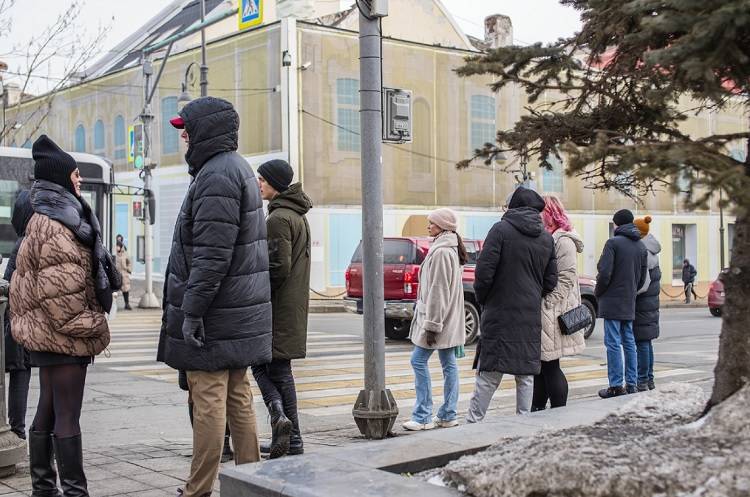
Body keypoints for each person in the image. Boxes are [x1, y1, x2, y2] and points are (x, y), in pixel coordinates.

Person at [157, 96, 271, 497]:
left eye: (186, 129)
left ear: (206, 131)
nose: (183, 136)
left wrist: (191, 312)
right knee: (238, 397)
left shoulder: (216, 175)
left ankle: (198, 489)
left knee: (208, 404)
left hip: (215, 317)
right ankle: (252, 482)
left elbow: (211, 256)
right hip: (234, 315)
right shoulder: (235, 168)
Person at [11, 135, 121, 497]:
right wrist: (96, 325)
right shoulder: (59, 227)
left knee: (48, 409)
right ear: (60, 179)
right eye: (74, 174)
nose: (79, 180)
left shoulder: (47, 218)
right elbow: (63, 298)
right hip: (63, 336)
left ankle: (44, 488)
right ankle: (75, 491)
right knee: (67, 415)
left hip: (49, 335)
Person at [467, 187, 558, 422]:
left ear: (513, 206)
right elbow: (551, 280)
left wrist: (485, 299)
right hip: (529, 315)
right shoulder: (546, 237)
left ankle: (472, 425)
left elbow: (483, 273)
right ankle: (523, 423)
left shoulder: (501, 230)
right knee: (526, 374)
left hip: (499, 311)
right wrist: (532, 294)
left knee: (489, 374)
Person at [251, 159, 312, 458]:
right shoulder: (295, 215)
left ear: (275, 183)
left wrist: (256, 293)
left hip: (277, 307)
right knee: (279, 370)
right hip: (290, 306)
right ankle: (292, 438)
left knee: (262, 366)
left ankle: (280, 417)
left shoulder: (278, 219)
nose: (258, 183)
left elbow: (277, 266)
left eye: (262, 179)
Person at [402, 208, 467, 431]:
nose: (428, 226)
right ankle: (448, 414)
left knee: (418, 361)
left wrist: (432, 326)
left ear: (443, 226)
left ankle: (422, 416)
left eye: (431, 223)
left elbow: (438, 292)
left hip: (439, 321)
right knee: (449, 366)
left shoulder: (441, 252)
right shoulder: (449, 248)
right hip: (448, 320)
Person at [532, 195, 585, 411]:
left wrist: (547, 303)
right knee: (543, 365)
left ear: (550, 213)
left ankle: (558, 411)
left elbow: (567, 277)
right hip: (550, 310)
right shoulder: (551, 237)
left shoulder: (563, 240)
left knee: (550, 365)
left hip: (556, 311)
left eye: (540, 211)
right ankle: (538, 410)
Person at [595, 209, 648, 398]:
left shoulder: (613, 243)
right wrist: (631, 291)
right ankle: (631, 383)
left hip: (611, 300)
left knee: (613, 343)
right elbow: (642, 278)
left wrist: (598, 292)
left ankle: (616, 385)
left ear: (616, 224)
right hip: (629, 299)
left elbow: (604, 273)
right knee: (629, 342)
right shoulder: (640, 246)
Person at [4, 190, 33, 440]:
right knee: (21, 374)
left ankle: (18, 429)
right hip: (23, 325)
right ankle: (18, 431)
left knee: (20, 374)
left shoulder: (21, 242)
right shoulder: (27, 243)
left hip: (18, 324)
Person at [634, 216, 661, 392]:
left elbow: (643, 284)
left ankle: (643, 380)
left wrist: (631, 292)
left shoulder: (644, 252)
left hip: (643, 305)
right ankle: (649, 379)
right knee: (646, 343)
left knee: (642, 343)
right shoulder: (651, 249)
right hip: (650, 305)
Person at [115, 234, 133, 310]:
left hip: (124, 274)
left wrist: (128, 269)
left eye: (120, 240)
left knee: (125, 289)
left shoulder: (125, 253)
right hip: (116, 274)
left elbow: (129, 262)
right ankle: (113, 306)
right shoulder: (114, 253)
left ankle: (127, 304)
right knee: (114, 290)